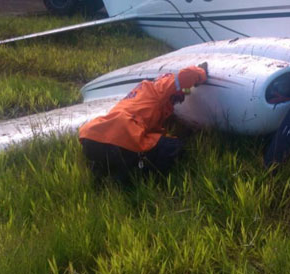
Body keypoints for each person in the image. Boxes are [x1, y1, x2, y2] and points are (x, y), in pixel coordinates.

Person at [79, 64, 208, 184]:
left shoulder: (139, 96)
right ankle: (145, 180)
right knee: (173, 146)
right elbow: (185, 76)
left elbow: (151, 134)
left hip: (91, 137)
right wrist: (201, 73)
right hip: (121, 138)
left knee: (155, 144)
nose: (176, 103)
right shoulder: (158, 88)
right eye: (177, 98)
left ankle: (108, 173)